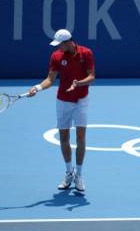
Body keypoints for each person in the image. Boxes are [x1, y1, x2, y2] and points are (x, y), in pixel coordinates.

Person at [29, 29, 95, 191]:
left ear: (68, 42)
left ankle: (79, 174)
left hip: (81, 100)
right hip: (63, 101)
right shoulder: (56, 56)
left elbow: (91, 76)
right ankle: (68, 172)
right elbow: (50, 79)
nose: (58, 47)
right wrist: (37, 88)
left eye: (60, 44)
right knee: (64, 138)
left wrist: (78, 83)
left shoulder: (86, 53)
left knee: (80, 138)